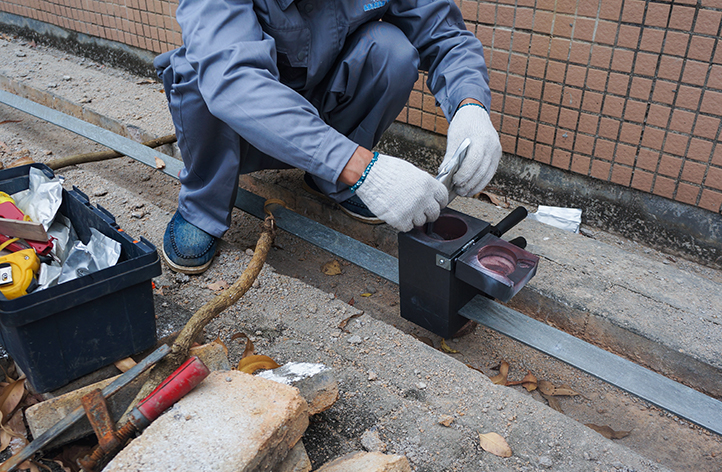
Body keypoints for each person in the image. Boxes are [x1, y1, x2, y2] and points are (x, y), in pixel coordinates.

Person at [155, 0, 502, 274]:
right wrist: (360, 165)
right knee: (201, 73)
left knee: (391, 51)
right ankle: (202, 206)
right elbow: (234, 80)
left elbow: (444, 33)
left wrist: (470, 107)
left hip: (319, 103)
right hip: (239, 127)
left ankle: (330, 180)